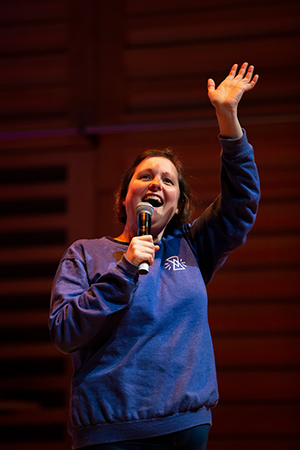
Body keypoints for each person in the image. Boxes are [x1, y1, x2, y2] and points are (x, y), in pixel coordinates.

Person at [49, 62, 260, 450]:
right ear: (125, 195)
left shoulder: (192, 245)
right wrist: (125, 269)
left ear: (178, 203)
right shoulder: (86, 254)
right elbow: (65, 332)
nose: (156, 184)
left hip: (184, 427)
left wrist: (228, 118)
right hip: (108, 432)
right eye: (145, 176)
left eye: (168, 180)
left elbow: (241, 202)